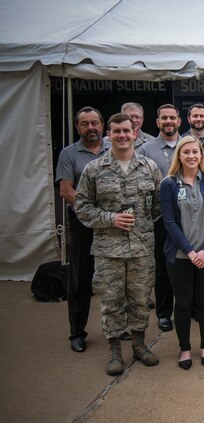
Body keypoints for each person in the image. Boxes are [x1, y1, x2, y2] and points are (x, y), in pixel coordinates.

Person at [75, 113, 162, 375]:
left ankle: (138, 343)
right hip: (108, 250)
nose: (122, 135)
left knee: (140, 298)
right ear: (108, 135)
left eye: (127, 130)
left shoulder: (149, 167)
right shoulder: (95, 169)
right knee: (111, 300)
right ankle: (114, 349)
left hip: (141, 248)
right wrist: (110, 219)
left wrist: (142, 226)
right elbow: (81, 206)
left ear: (135, 133)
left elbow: (158, 205)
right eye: (117, 132)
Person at [160, 136, 204, 369]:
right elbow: (169, 222)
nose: (191, 156)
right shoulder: (169, 184)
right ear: (179, 155)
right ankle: (185, 348)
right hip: (179, 257)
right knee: (184, 303)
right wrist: (190, 251)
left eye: (195, 152)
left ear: (201, 155)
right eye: (186, 152)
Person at [56, 106, 111, 352]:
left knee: (117, 278)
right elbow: (66, 190)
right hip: (84, 224)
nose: (91, 128)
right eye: (85, 124)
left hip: (114, 224)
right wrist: (94, 213)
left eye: (95, 123)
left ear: (102, 126)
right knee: (80, 279)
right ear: (78, 127)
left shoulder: (116, 148)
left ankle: (120, 327)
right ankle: (77, 332)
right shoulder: (69, 154)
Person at [137, 104, 181, 333]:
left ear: (179, 121)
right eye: (164, 117)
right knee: (163, 267)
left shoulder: (189, 144)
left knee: (190, 264)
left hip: (188, 217)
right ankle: (164, 313)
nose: (168, 121)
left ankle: (190, 308)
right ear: (157, 122)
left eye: (172, 117)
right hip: (160, 219)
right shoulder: (146, 149)